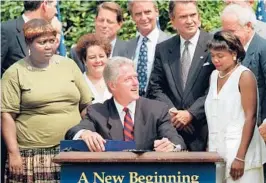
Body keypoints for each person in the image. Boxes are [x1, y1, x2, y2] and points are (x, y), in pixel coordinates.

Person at [1, 19, 93, 183]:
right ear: (29, 43)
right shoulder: (15, 73)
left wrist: (89, 133)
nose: (49, 46)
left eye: (52, 41)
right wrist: (13, 152)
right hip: (33, 156)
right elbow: (7, 115)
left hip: (72, 149)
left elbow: (86, 106)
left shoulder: (69, 66)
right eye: (42, 42)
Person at [65, 56, 186, 152]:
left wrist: (171, 146)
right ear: (112, 85)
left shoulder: (156, 110)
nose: (136, 83)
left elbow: (177, 140)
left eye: (135, 77)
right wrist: (85, 133)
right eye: (128, 79)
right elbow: (73, 131)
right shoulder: (97, 112)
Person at [146, 1, 214, 151]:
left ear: (199, 16)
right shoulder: (163, 49)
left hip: (205, 130)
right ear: (173, 21)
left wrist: (191, 113)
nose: (190, 21)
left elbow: (216, 88)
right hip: (171, 131)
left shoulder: (214, 45)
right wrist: (172, 112)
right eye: (183, 16)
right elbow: (155, 87)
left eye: (193, 15)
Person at [205, 30, 266, 183]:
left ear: (234, 54)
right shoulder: (214, 76)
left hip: (242, 154)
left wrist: (240, 156)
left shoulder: (244, 75)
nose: (215, 60)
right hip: (217, 153)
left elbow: (250, 117)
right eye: (213, 56)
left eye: (220, 56)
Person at [121, 0, 170, 96]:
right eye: (138, 14)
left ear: (157, 12)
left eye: (147, 12)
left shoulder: (171, 43)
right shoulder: (127, 47)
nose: (143, 18)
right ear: (133, 17)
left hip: (162, 106)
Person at [1, 0, 58, 76]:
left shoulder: (50, 31)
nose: (56, 11)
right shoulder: (6, 30)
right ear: (45, 4)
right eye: (55, 6)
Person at [70, 2, 126, 72]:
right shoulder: (77, 51)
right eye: (101, 20)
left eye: (109, 22)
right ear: (95, 21)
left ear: (119, 24)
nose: (104, 25)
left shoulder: (129, 50)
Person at [76, 33, 112, 104]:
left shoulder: (115, 80)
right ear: (84, 61)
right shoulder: (78, 84)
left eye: (101, 56)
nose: (98, 61)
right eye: (92, 57)